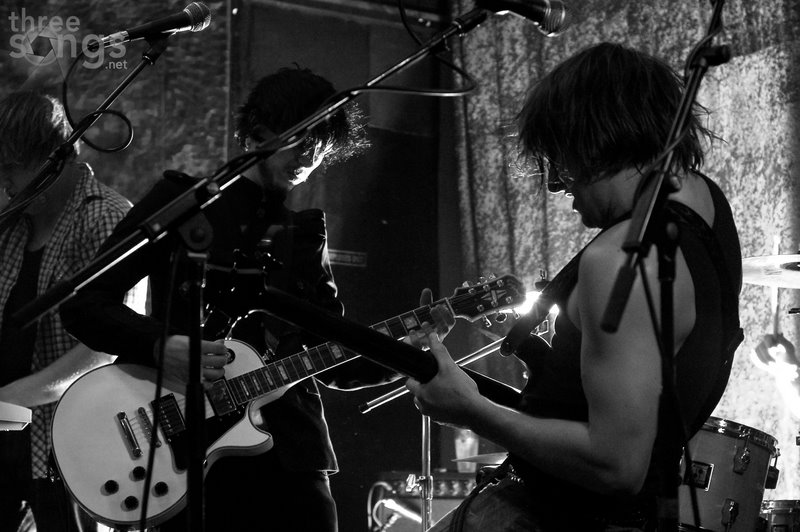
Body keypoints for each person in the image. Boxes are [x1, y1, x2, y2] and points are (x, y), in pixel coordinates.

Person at [60, 66, 444, 532]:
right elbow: (82, 303)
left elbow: (337, 362)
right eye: (301, 137)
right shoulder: (181, 204)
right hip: (188, 454)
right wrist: (161, 346)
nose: (311, 154)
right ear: (258, 132)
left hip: (291, 458)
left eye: (322, 145)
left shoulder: (304, 235)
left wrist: (407, 351)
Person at [405, 42, 742, 531]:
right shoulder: (705, 202)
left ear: (594, 142)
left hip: (548, 516)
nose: (555, 185)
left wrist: (471, 410)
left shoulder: (620, 260)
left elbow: (616, 465)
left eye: (558, 162)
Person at [0, 92, 142, 532]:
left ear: (51, 158)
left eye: (10, 168)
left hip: (71, 448)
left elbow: (105, 348)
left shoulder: (105, 217)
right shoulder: (13, 223)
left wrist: (13, 396)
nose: (4, 181)